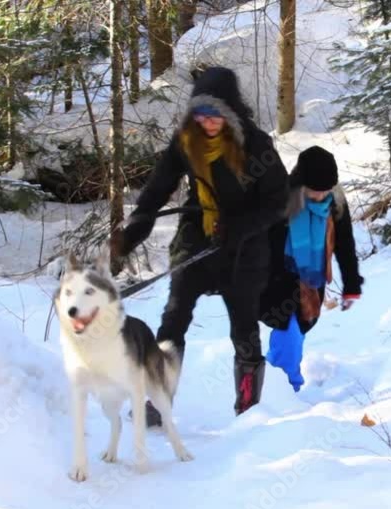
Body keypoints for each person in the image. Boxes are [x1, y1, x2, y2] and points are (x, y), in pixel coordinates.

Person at [114, 66, 288, 420]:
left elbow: (279, 201)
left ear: (231, 111)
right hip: (197, 240)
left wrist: (241, 226)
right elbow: (155, 192)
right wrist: (130, 235)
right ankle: (159, 401)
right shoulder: (186, 142)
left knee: (243, 327)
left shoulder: (255, 145)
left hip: (244, 247)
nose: (208, 122)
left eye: (216, 114)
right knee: (173, 318)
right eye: (201, 113)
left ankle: (249, 408)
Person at [260, 146, 363, 391]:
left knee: (294, 336)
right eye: (314, 191)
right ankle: (286, 389)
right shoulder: (282, 201)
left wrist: (351, 286)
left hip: (311, 283)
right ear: (300, 183)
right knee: (289, 336)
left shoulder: (335, 203)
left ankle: (265, 386)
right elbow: (258, 239)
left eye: (325, 190)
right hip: (276, 281)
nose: (319, 196)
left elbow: (345, 245)